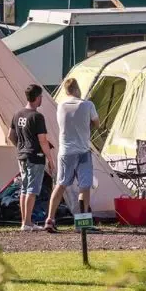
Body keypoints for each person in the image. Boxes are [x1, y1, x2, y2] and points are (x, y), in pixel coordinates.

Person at [44, 77, 100, 232]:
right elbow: (97, 123)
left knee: (60, 184)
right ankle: (82, 224)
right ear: (77, 90)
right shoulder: (87, 105)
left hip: (65, 151)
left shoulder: (60, 106)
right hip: (82, 151)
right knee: (84, 187)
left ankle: (50, 219)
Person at [8, 84, 54, 231]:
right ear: (37, 98)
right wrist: (50, 159)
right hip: (35, 156)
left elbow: (10, 135)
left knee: (24, 188)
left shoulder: (17, 114)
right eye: (41, 97)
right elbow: (43, 140)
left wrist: (20, 147)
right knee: (32, 190)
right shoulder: (37, 117)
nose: (41, 100)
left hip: (21, 156)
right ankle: (27, 223)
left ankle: (24, 221)